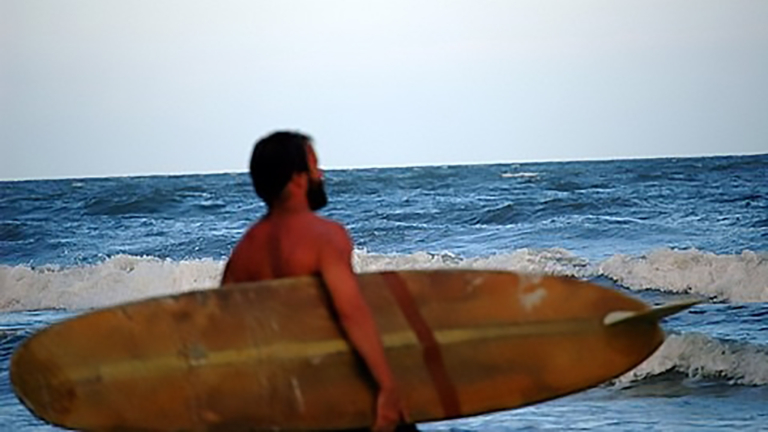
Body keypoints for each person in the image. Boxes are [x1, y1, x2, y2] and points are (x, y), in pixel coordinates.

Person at [221, 131, 414, 432]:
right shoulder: (325, 237)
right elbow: (351, 313)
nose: (321, 174)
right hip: (335, 391)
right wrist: (387, 386)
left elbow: (227, 330)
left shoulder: (244, 251)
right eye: (314, 165)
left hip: (281, 401)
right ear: (297, 179)